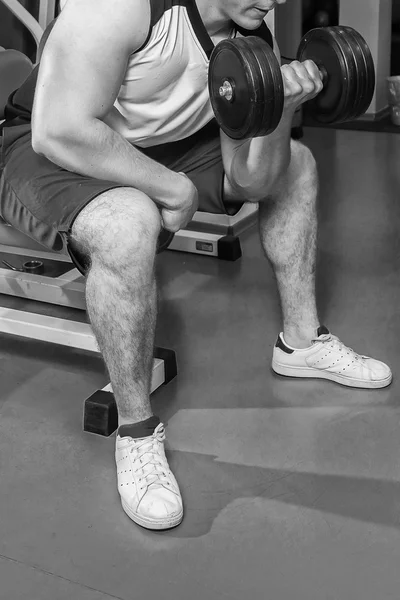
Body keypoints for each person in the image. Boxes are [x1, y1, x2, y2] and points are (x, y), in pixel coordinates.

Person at [0, 0, 392, 531]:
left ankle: (301, 342)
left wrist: (276, 109)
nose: (273, 0)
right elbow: (59, 129)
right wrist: (172, 187)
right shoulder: (123, 7)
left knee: (296, 166)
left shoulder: (249, 33)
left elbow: (253, 181)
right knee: (128, 221)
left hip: (159, 148)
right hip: (42, 145)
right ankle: (136, 434)